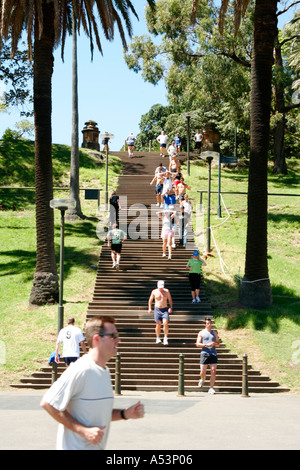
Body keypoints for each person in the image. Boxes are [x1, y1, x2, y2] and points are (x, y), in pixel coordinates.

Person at [41, 315, 145, 450]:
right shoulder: (81, 369)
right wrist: (82, 430)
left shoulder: (104, 370)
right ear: (97, 339)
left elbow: (94, 415)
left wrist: (124, 414)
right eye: (113, 335)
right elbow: (48, 403)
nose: (118, 339)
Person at [196, 317, 220, 394]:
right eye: (207, 323)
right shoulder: (201, 333)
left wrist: (214, 344)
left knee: (213, 371)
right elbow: (197, 344)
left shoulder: (214, 332)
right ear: (205, 324)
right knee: (202, 372)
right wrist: (206, 345)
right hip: (204, 353)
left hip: (213, 353)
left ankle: (211, 388)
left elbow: (218, 344)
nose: (209, 325)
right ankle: (202, 379)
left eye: (210, 323)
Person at [148, 281, 173, 345]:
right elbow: (150, 300)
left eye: (162, 287)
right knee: (158, 324)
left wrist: (170, 307)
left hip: (164, 309)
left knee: (165, 323)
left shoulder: (166, 291)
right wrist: (150, 308)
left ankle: (165, 337)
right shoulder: (154, 291)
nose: (161, 289)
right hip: (157, 309)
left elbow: (170, 299)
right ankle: (158, 337)